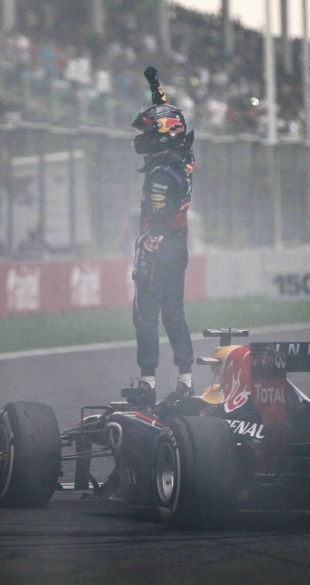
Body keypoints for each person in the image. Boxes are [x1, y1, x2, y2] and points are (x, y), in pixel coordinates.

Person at [130, 66, 196, 404]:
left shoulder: (158, 175)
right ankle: (186, 380)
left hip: (160, 246)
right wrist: (156, 88)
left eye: (147, 132)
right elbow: (172, 119)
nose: (141, 139)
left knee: (146, 313)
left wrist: (143, 257)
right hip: (180, 247)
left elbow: (157, 221)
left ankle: (147, 383)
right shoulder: (185, 159)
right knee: (175, 313)